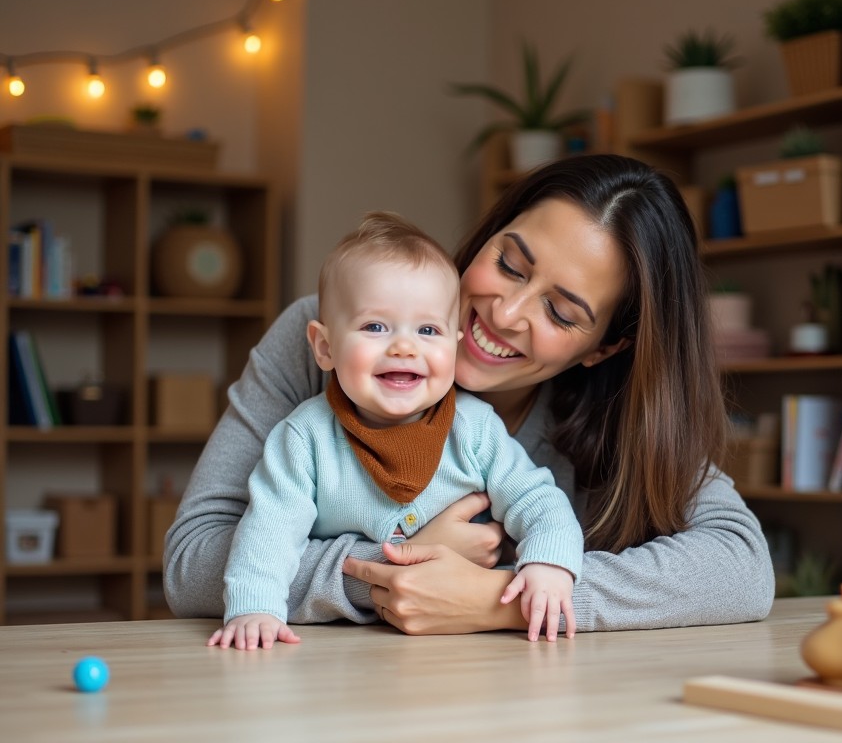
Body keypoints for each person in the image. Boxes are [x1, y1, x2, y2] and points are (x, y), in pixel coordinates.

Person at [165, 153, 776, 635]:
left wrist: (500, 599)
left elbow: (742, 570)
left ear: (603, 348)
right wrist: (390, 569)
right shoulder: (325, 342)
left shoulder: (623, 417)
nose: (505, 313)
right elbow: (192, 564)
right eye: (509, 264)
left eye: (561, 313)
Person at [207, 213, 582, 650]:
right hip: (351, 651)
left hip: (464, 649)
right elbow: (268, 530)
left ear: (453, 344)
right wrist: (256, 609)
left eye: (427, 330)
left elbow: (538, 499)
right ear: (325, 347)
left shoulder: (475, 429)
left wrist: (550, 565)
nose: (404, 346)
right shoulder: (304, 438)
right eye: (375, 327)